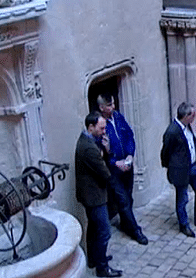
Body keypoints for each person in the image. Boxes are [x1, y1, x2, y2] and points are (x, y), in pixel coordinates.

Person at [75, 112, 122, 277]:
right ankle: (102, 268)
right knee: (104, 231)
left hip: (90, 194)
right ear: (91, 127)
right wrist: (109, 155)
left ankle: (95, 258)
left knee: (94, 228)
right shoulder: (88, 148)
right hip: (94, 197)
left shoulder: (88, 141)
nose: (104, 131)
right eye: (101, 128)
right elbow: (105, 173)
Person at [96, 94, 148, 245]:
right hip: (113, 172)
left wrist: (130, 156)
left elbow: (129, 136)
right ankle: (135, 231)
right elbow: (101, 151)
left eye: (113, 104)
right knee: (123, 201)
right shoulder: (100, 125)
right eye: (109, 105)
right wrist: (114, 162)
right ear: (101, 107)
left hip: (127, 166)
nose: (113, 107)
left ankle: (126, 223)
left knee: (128, 198)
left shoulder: (118, 117)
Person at [161, 102, 196, 238]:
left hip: (192, 167)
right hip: (180, 171)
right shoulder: (172, 131)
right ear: (186, 116)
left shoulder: (187, 126)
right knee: (182, 199)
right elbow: (165, 152)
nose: (194, 117)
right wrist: (172, 168)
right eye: (193, 115)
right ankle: (184, 224)